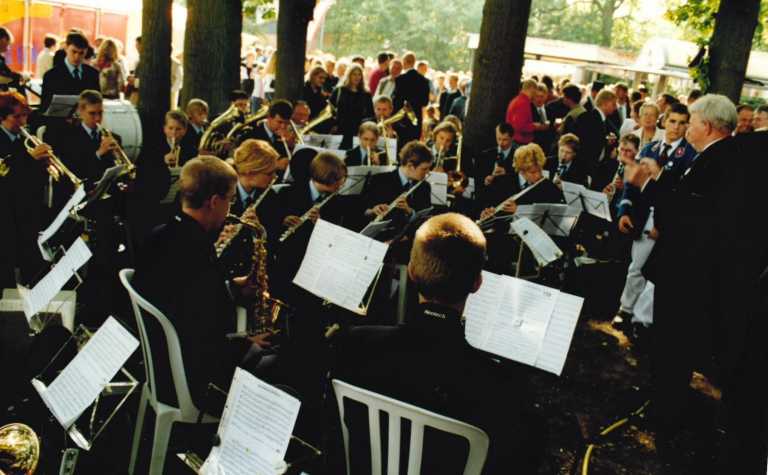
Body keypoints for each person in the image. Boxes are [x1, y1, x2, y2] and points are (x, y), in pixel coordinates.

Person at [332, 213, 545, 474]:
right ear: (477, 283)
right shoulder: (501, 384)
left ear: (411, 271)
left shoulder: (353, 344)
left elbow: (335, 432)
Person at [622, 94, 739, 456]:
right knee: (667, 344)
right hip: (681, 269)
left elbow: (686, 214)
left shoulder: (719, 161)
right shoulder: (711, 157)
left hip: (689, 274)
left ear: (708, 125)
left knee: (675, 346)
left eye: (693, 122)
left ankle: (666, 413)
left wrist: (653, 180)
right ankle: (661, 400)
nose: (687, 128)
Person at [133, 156, 275, 410]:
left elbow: (184, 299)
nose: (230, 208)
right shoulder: (197, 250)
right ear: (214, 202)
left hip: (160, 366)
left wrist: (232, 287)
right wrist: (247, 342)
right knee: (286, 370)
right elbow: (207, 331)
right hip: (195, 381)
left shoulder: (160, 234)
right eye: (230, 199)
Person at [614, 105, 697, 334]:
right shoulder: (649, 148)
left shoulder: (690, 155)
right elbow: (631, 183)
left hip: (666, 221)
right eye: (672, 121)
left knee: (655, 274)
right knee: (636, 267)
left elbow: (679, 195)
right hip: (642, 216)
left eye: (682, 122)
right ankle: (625, 309)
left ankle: (642, 320)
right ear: (664, 121)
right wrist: (625, 211)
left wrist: (663, 224)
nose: (676, 127)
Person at [0, 91, 51, 287]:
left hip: (26, 212)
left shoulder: (24, 140)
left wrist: (43, 166)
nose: (23, 121)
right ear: (2, 117)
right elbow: (7, 178)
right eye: (17, 117)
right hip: (6, 214)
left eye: (25, 115)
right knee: (6, 267)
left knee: (31, 263)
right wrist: (30, 159)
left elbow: (32, 181)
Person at [218, 139, 283, 278]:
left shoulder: (271, 197)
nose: (275, 177)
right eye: (269, 173)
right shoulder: (221, 194)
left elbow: (274, 242)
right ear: (249, 172)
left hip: (253, 271)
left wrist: (259, 229)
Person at [363, 140, 432, 226]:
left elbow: (425, 220)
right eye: (424, 169)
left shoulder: (425, 186)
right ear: (410, 166)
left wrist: (410, 212)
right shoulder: (378, 180)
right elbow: (362, 211)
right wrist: (372, 211)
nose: (428, 173)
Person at [41, 31, 100, 113]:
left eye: (81, 53)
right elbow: (45, 107)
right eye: (74, 52)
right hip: (60, 120)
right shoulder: (51, 76)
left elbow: (97, 102)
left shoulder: (93, 74)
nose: (77, 57)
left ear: (86, 51)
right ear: (66, 48)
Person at [573, 88, 618, 183]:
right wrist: (606, 141)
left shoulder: (606, 121)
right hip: (584, 167)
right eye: (613, 104)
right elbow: (586, 143)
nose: (615, 108)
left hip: (597, 167)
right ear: (605, 103)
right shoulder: (587, 117)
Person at [242, 99, 293, 174]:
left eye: (286, 123)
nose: (283, 126)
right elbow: (246, 165)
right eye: (280, 122)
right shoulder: (251, 135)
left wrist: (291, 146)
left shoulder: (285, 136)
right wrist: (275, 165)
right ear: (269, 117)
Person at [330, 63, 373, 150]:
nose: (357, 77)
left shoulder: (366, 94)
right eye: (354, 74)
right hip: (340, 130)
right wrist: (333, 124)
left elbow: (370, 114)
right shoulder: (339, 91)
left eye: (359, 74)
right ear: (349, 75)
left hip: (358, 132)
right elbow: (330, 110)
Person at [392, 52, 430, 144]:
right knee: (413, 145)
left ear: (404, 62)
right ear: (414, 62)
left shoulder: (400, 79)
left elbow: (396, 101)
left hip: (401, 119)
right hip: (416, 118)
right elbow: (425, 102)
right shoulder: (424, 81)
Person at [505, 79, 544, 146]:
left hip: (515, 139)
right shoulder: (523, 103)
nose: (536, 93)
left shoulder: (517, 100)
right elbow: (521, 126)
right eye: (535, 90)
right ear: (531, 89)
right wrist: (536, 126)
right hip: (520, 141)